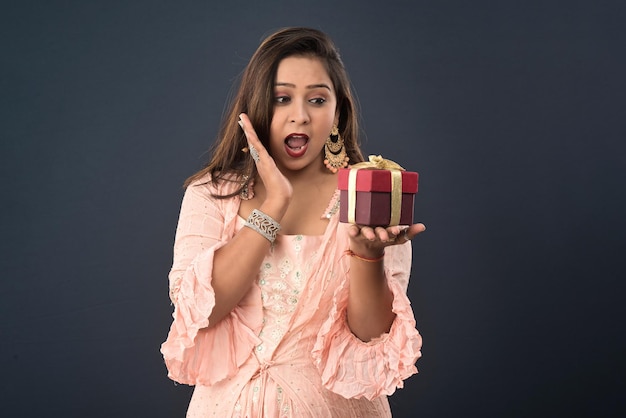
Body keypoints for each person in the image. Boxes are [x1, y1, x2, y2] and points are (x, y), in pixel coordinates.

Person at [161, 27, 426, 417]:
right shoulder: (210, 194)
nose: (299, 115)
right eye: (282, 98)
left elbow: (369, 339)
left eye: (317, 100)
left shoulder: (369, 196)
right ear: (256, 108)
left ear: (337, 113)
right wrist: (274, 205)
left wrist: (368, 257)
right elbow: (202, 311)